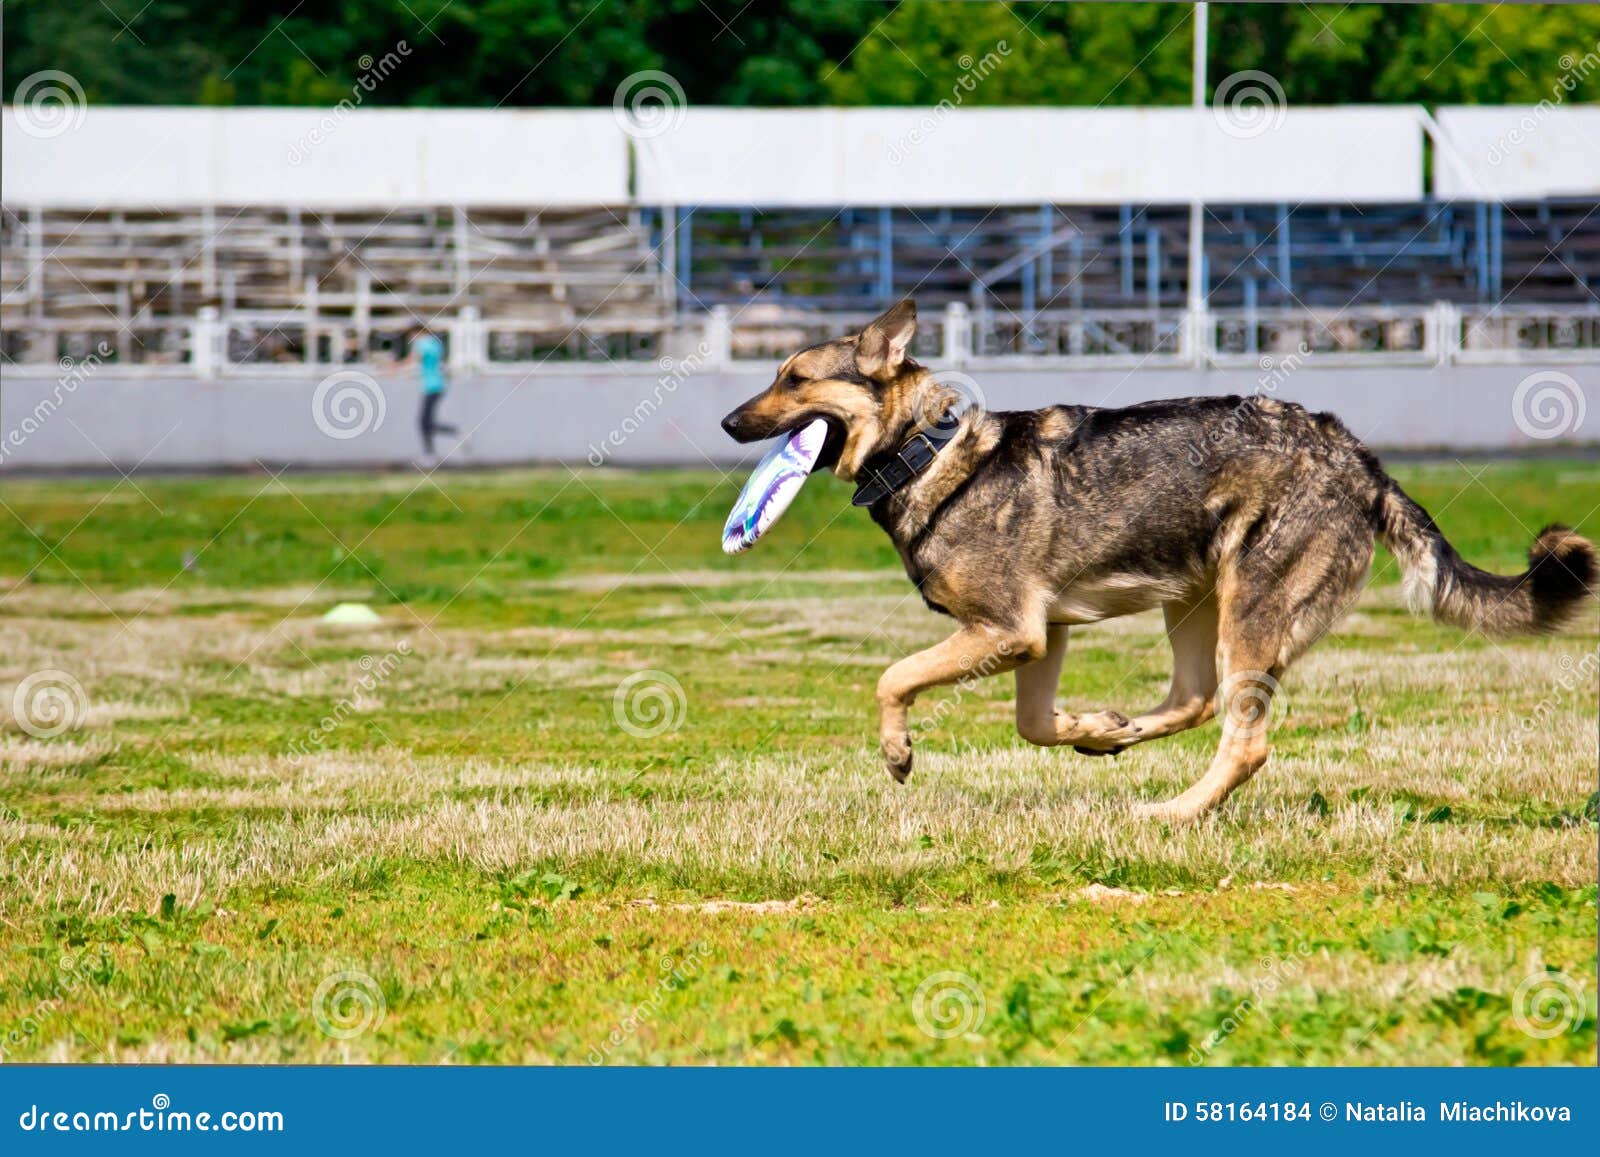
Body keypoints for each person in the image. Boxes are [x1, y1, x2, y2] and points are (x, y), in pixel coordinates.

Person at [408, 323, 456, 460]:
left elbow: (412, 361)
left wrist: (391, 368)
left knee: (424, 422)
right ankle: (453, 435)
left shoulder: (422, 343)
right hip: (438, 385)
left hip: (431, 386)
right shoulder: (435, 343)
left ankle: (430, 453)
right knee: (426, 422)